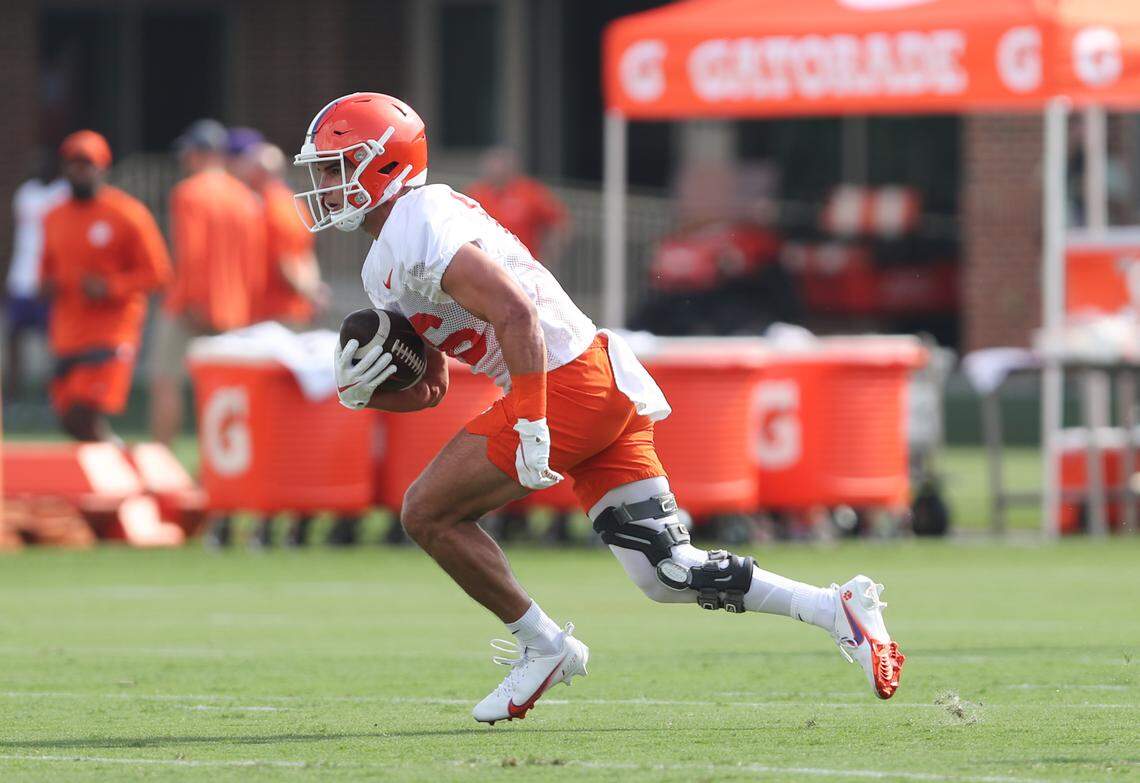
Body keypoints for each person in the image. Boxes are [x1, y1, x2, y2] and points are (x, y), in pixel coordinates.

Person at [295, 93, 905, 724]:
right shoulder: (383, 264)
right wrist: (370, 391)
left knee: (426, 513)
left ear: (386, 165)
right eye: (320, 170)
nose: (323, 185)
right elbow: (434, 387)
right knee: (668, 571)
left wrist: (530, 418)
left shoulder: (420, 218)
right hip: (593, 381)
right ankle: (840, 609)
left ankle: (543, 646)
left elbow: (515, 312)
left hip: (566, 384)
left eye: (336, 167)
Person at [39, 130, 171, 441]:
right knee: (70, 419)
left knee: (83, 413)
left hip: (111, 332)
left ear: (103, 168)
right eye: (72, 164)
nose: (78, 171)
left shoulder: (127, 214)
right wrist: (47, 286)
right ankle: (114, 466)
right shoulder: (53, 216)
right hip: (67, 332)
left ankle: (119, 469)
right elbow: (47, 270)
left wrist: (111, 287)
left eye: (86, 164)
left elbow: (159, 274)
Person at [150, 119, 265, 447]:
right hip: (235, 309)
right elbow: (254, 263)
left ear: (200, 153)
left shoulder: (190, 192)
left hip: (190, 305)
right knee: (226, 392)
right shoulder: (245, 198)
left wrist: (193, 302)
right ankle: (221, 468)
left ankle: (162, 461)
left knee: (166, 382)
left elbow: (191, 253)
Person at [236, 142, 328, 326]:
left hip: (276, 313)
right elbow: (305, 253)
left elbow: (286, 261)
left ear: (260, 172)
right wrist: (314, 288)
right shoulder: (292, 204)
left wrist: (311, 293)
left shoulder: (272, 208)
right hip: (285, 311)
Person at [5, 152, 68, 399]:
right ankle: (12, 390)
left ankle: (51, 391)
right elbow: (16, 235)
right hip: (22, 276)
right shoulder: (26, 193)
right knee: (14, 335)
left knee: (51, 340)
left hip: (48, 279)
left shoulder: (63, 192)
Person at [466, 148, 569, 267]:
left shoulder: (530, 191)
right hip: (487, 265)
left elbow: (558, 221)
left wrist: (551, 251)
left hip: (523, 265)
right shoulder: (476, 193)